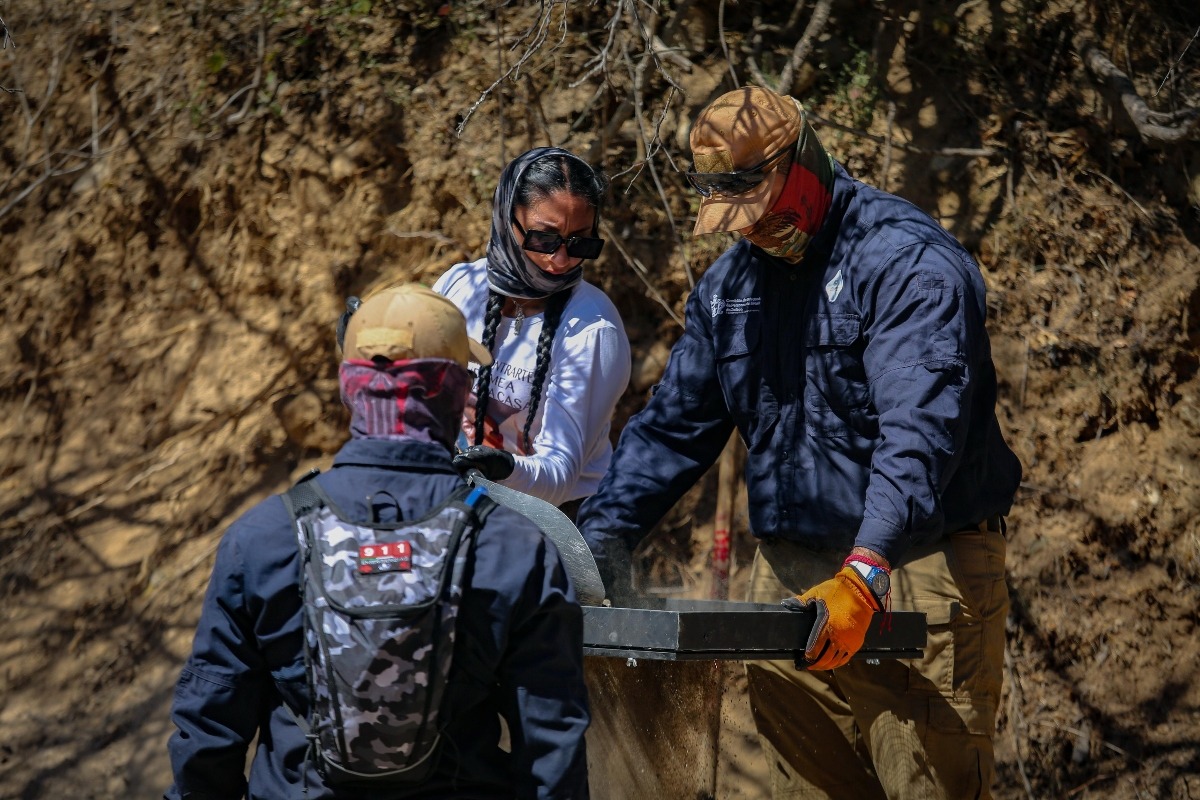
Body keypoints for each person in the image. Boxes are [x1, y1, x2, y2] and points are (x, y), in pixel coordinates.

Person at [577, 86, 1022, 799]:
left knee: (926, 784)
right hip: (786, 579)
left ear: (806, 163)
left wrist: (867, 567)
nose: (754, 232)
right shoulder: (731, 288)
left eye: (767, 213)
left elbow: (919, 433)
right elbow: (671, 428)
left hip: (911, 565)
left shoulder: (904, 264)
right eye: (737, 223)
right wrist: (598, 543)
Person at [165, 284, 591, 800]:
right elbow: (551, 744)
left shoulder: (264, 538)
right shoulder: (515, 546)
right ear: (455, 392)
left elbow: (210, 729)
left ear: (351, 388)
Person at [434, 147, 631, 510]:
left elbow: (559, 475)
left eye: (580, 243)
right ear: (507, 219)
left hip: (560, 519)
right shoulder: (459, 287)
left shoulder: (593, 330)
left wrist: (503, 469)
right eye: (544, 239)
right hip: (464, 501)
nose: (561, 259)